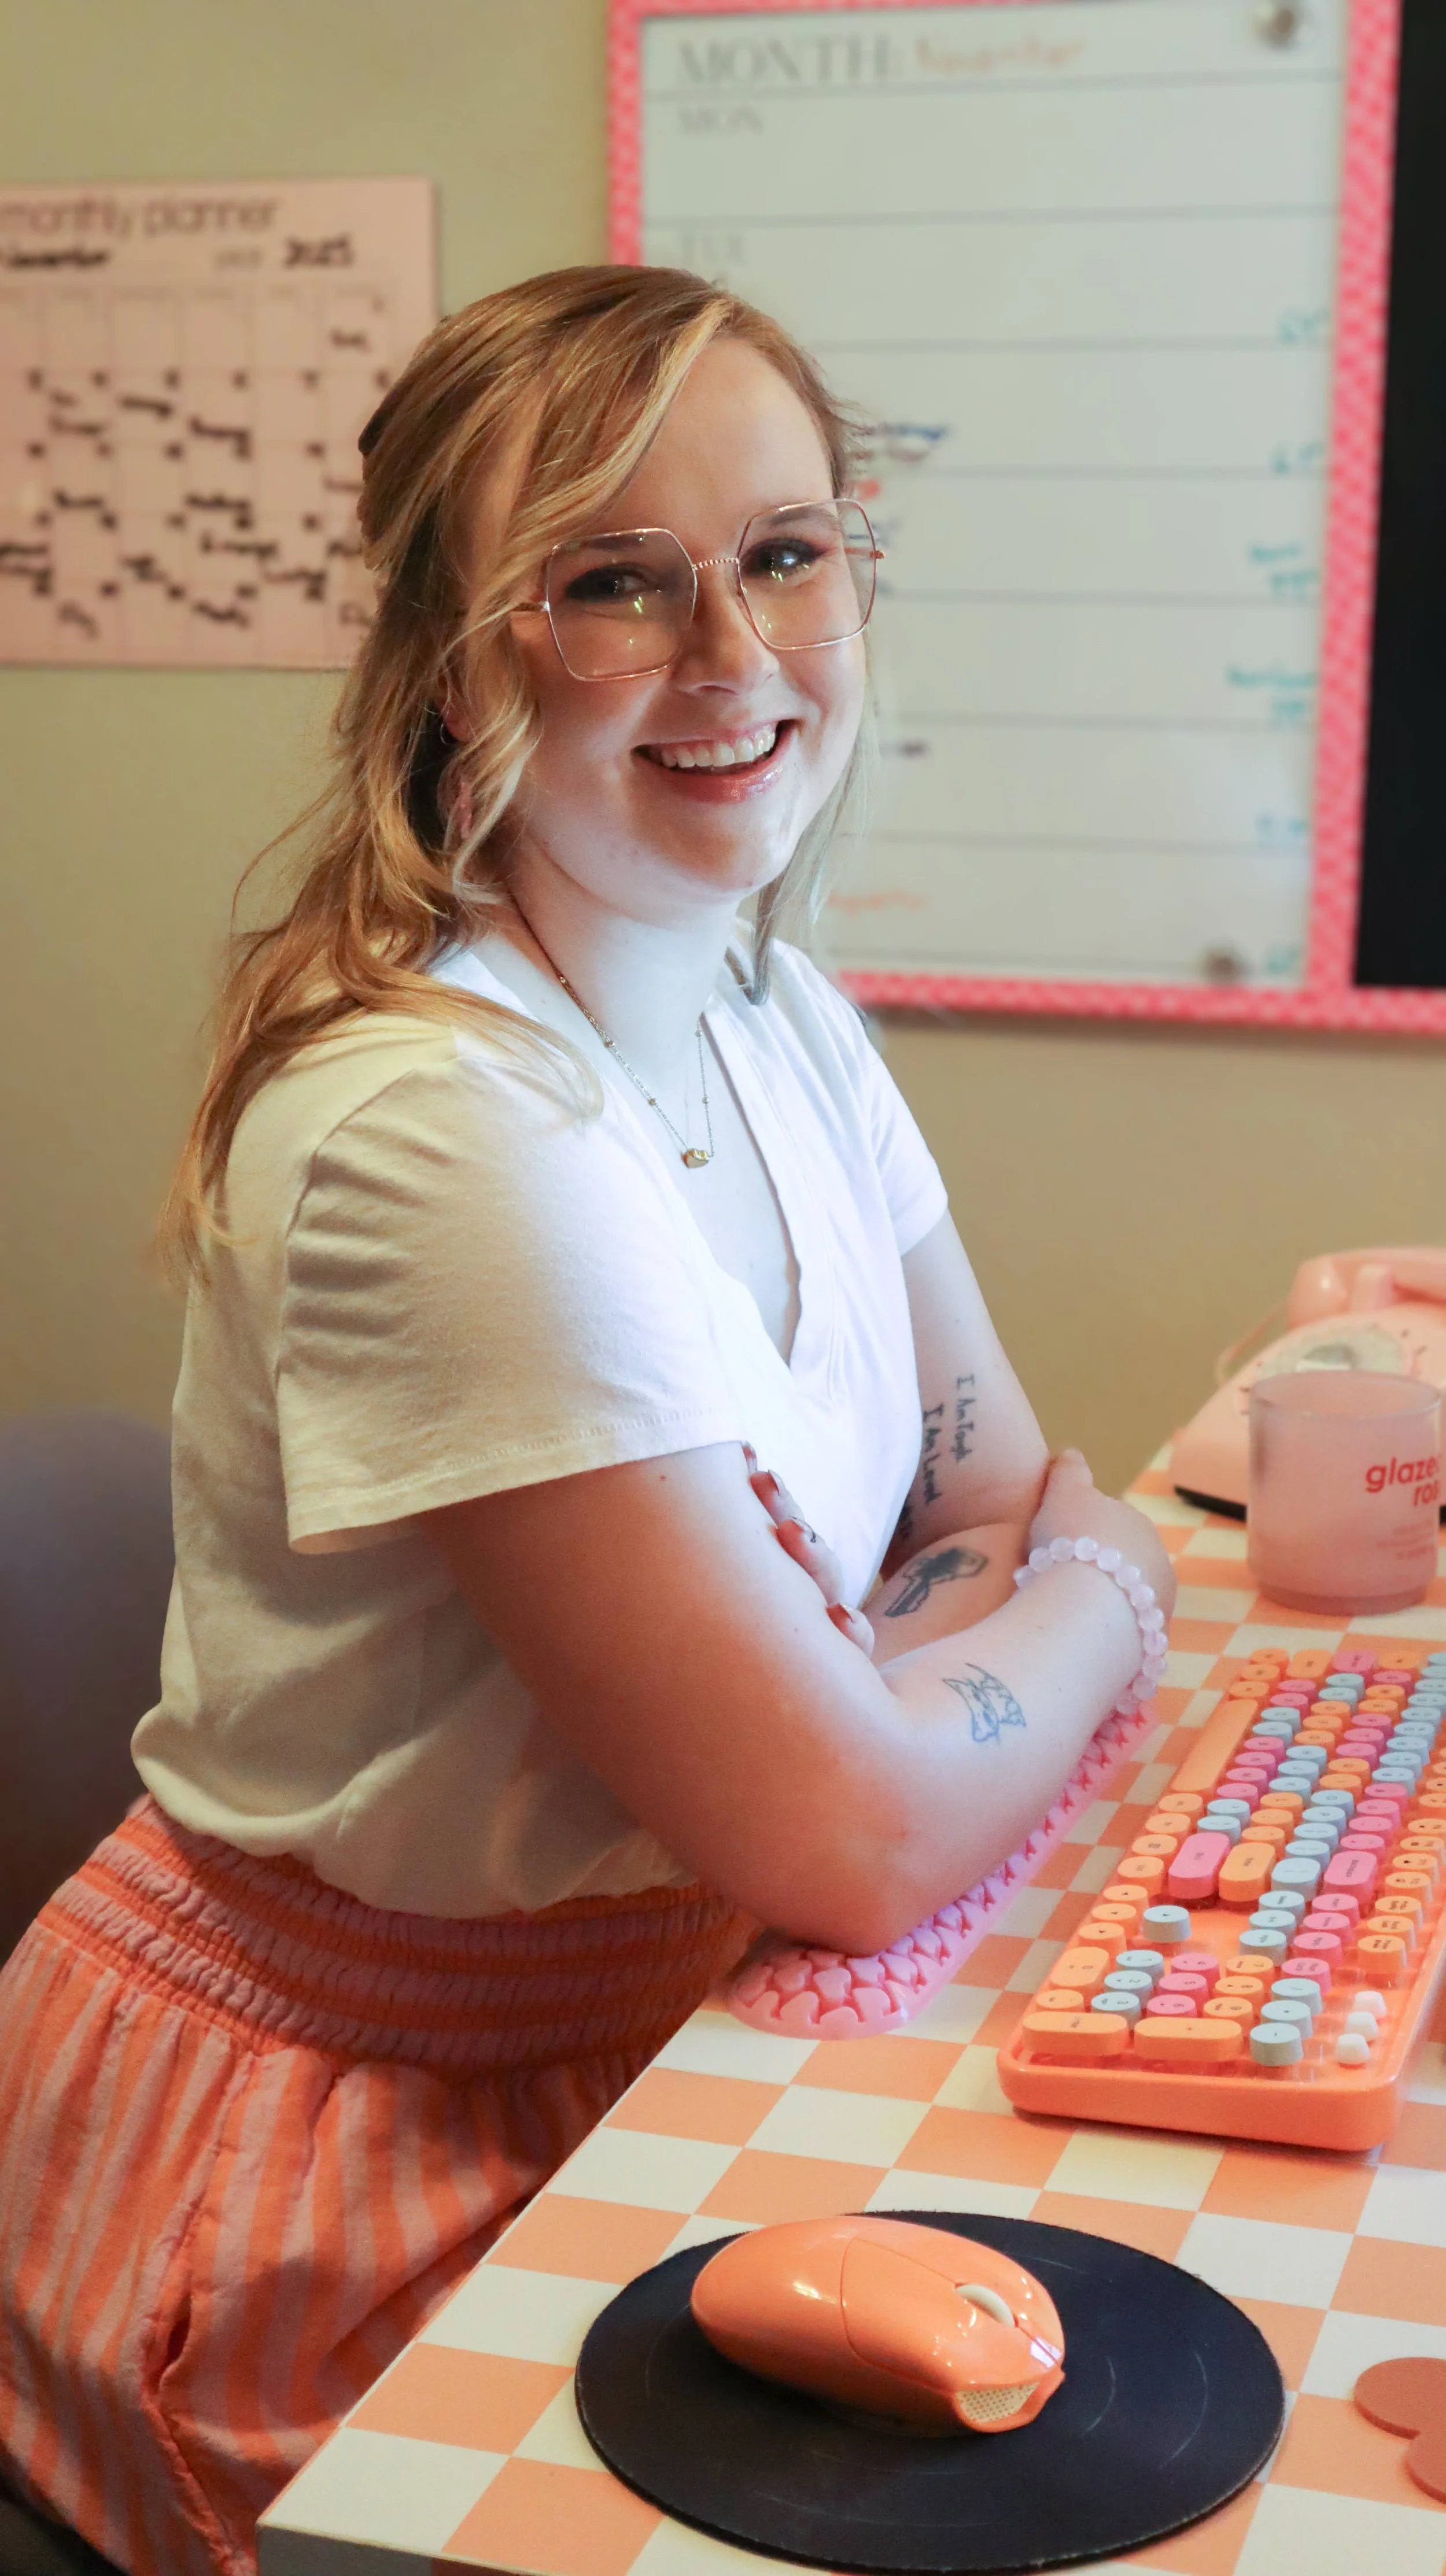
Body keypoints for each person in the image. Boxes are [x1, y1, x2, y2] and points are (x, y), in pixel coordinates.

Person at [0, 266, 1175, 2576]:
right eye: (612, 584)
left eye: (784, 554)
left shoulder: (781, 1016)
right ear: (453, 654)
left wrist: (929, 1669)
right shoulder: (445, 1134)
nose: (734, 658)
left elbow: (974, 1496)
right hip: (344, 2164)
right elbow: (853, 1817)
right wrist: (1101, 1604)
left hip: (677, 2034)